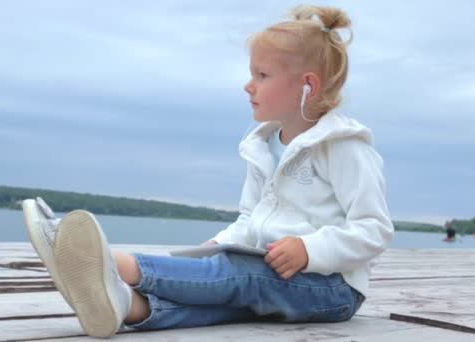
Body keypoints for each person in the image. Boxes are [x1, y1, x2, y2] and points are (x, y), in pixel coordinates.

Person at [22, 4, 393, 338]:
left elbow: (373, 229)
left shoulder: (343, 146)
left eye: (262, 75)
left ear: (306, 86)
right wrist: (216, 245)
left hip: (332, 287)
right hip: (272, 276)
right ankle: (130, 307)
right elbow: (252, 219)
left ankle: (108, 263)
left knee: (242, 277)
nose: (248, 86)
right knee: (233, 290)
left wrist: (310, 250)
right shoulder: (263, 147)